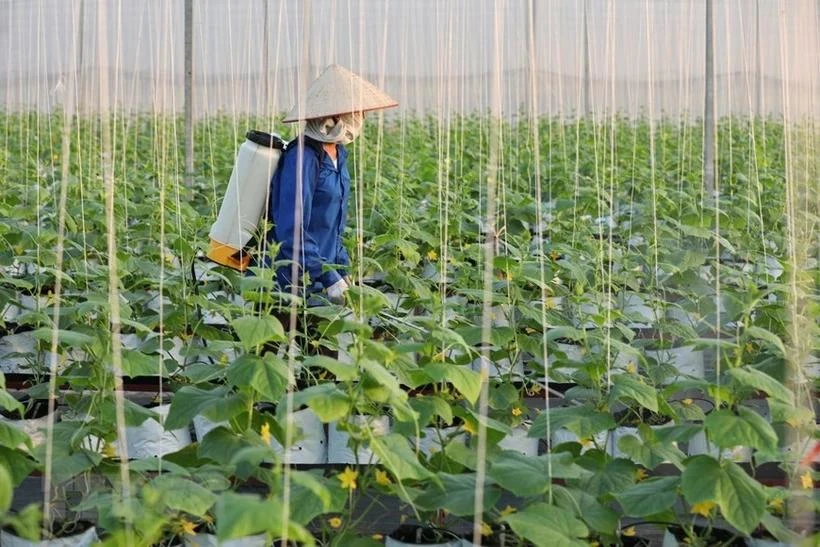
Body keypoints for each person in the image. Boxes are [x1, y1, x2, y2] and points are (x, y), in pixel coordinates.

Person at [266, 65, 397, 304]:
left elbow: (334, 224)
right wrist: (326, 275)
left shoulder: (339, 154)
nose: (358, 120)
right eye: (352, 113)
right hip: (292, 279)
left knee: (320, 341)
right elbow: (291, 229)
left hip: (321, 278)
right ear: (332, 117)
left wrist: (341, 268)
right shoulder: (303, 157)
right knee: (275, 339)